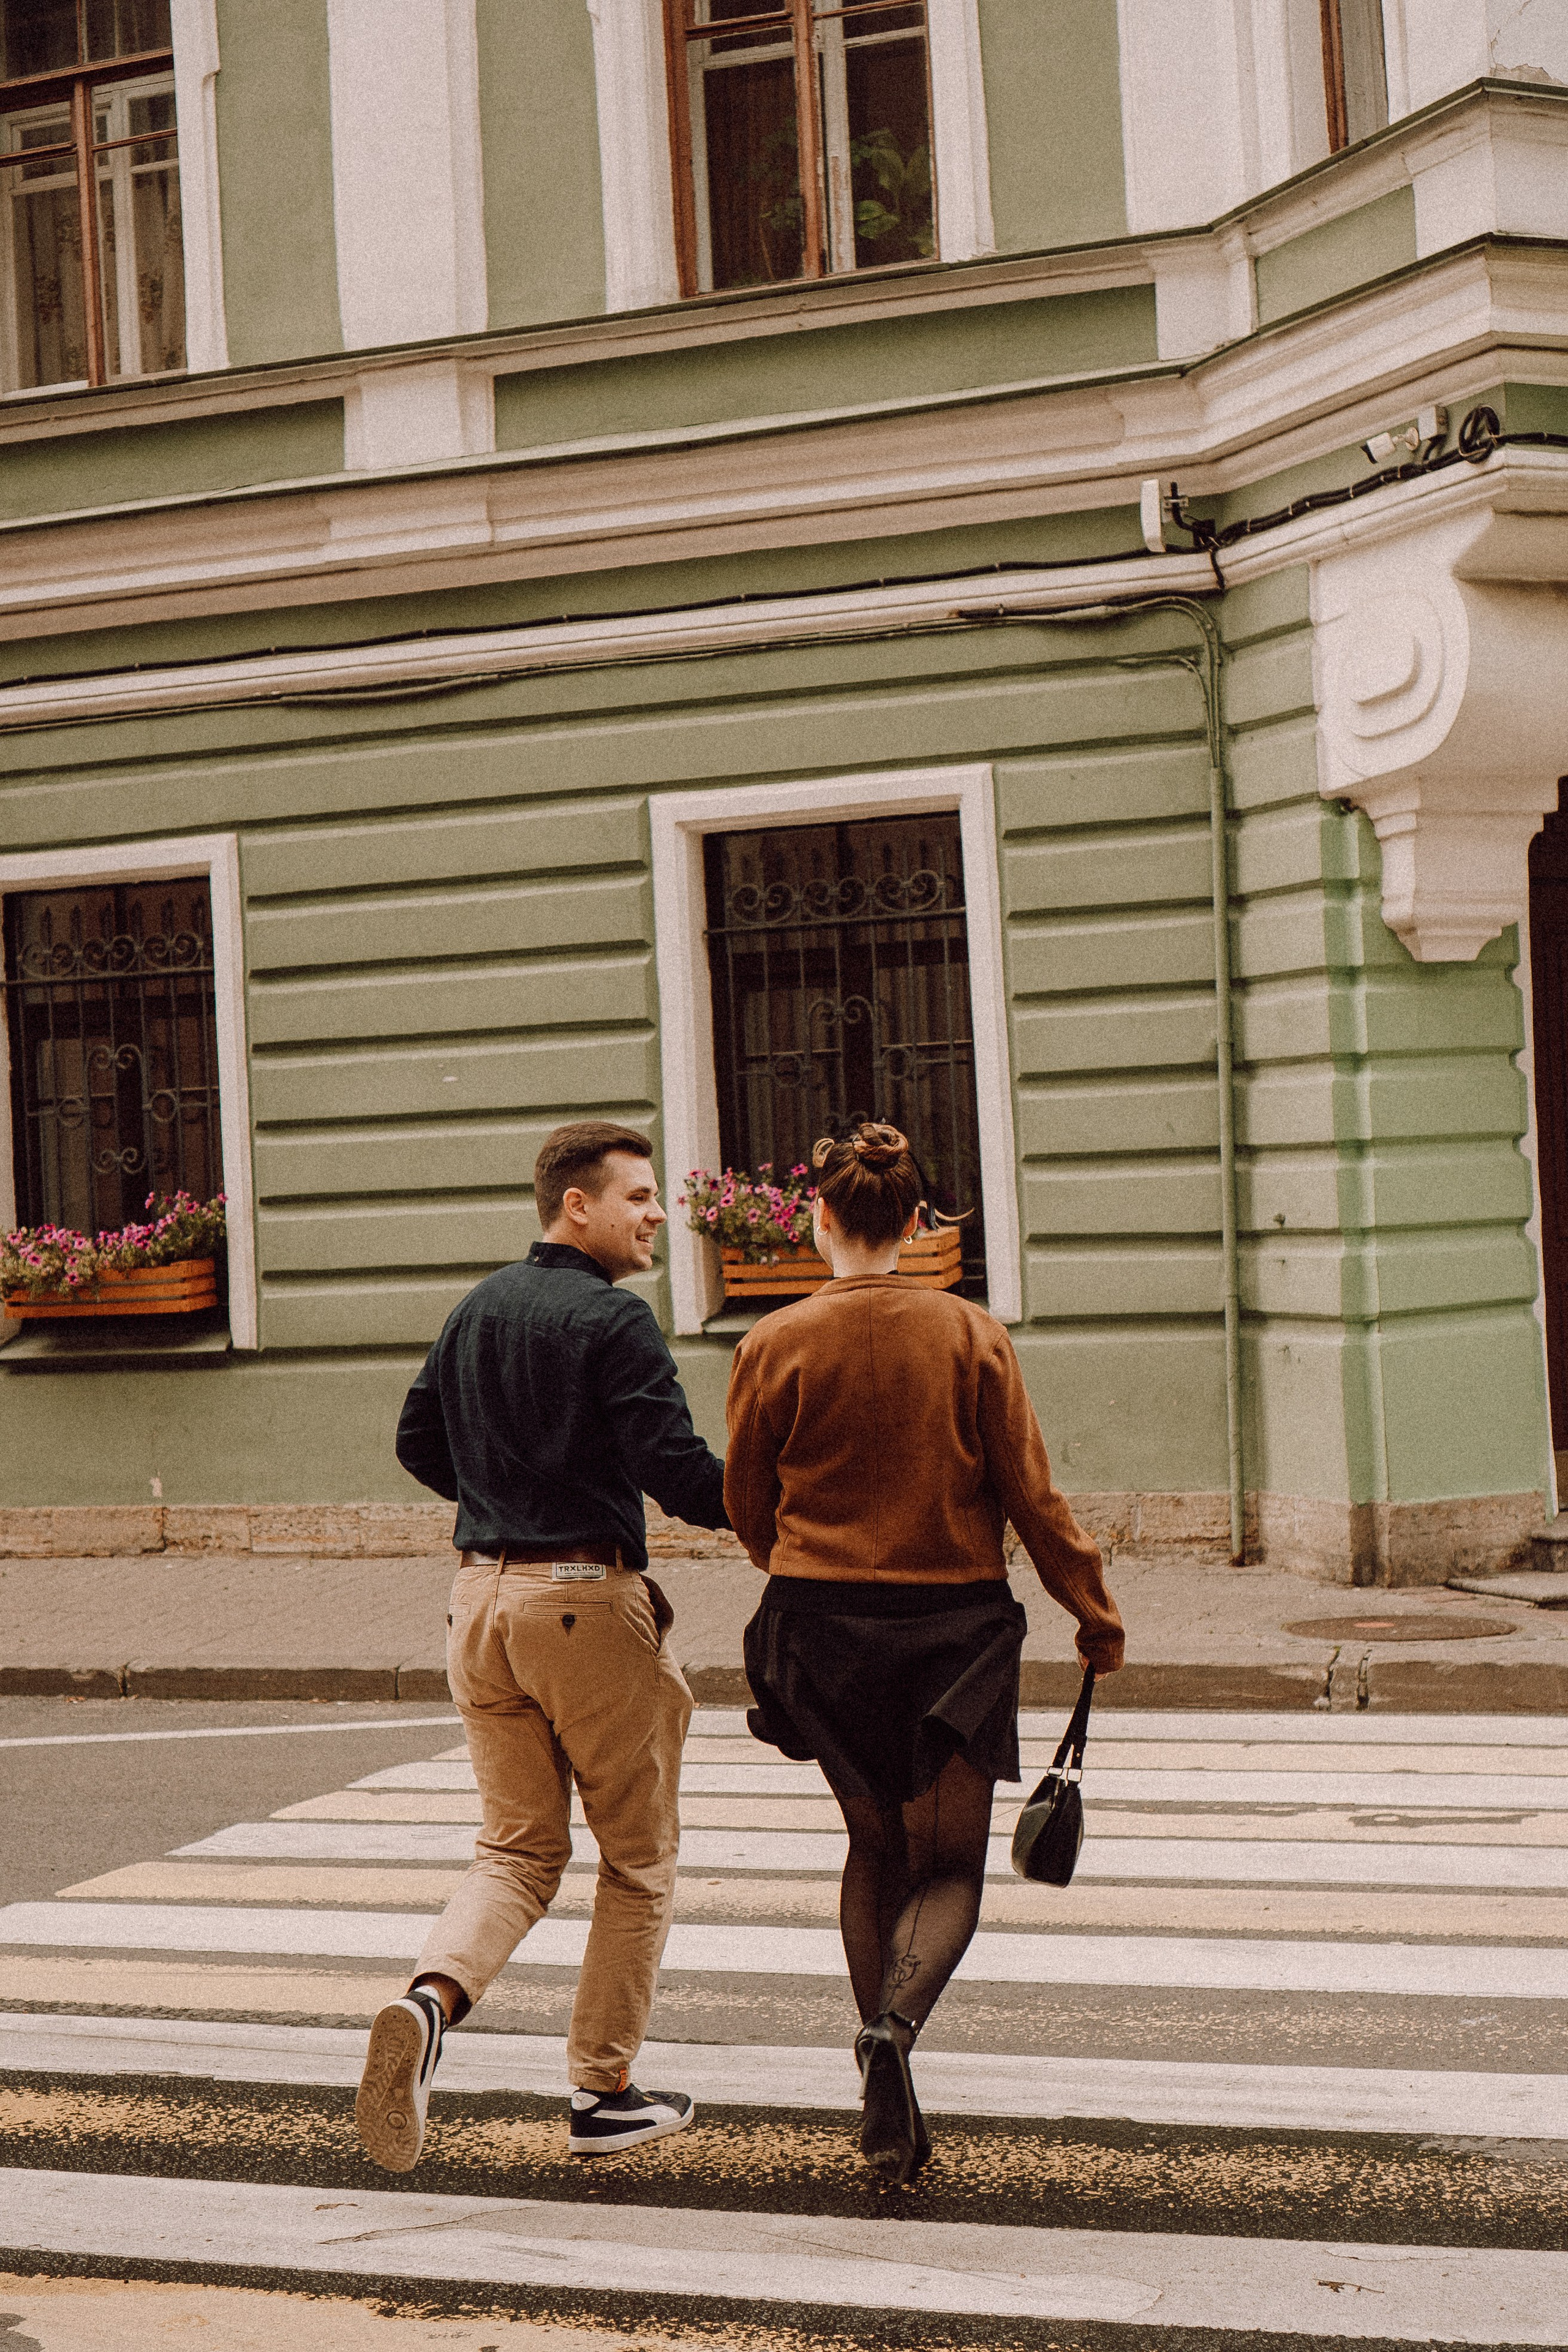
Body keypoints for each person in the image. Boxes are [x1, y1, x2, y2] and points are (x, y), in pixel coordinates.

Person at [724, 1122, 1125, 2186]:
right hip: (952, 1629)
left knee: (872, 1851)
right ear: (917, 1224)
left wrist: (801, 1563)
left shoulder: (772, 1342)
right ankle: (895, 2031)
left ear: (818, 1219)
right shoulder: (970, 1334)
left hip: (821, 1627)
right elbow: (1031, 1496)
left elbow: (744, 1502)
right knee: (947, 1865)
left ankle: (876, 2082)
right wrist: (1092, 1610)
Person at [356, 1120, 728, 2172]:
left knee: (515, 1850)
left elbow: (416, 1441)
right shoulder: (616, 1320)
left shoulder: (478, 1305)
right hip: (581, 1596)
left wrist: (503, 1504)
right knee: (639, 1858)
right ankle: (603, 2092)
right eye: (640, 1197)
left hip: (478, 1602)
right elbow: (684, 1474)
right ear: (579, 1206)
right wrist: (789, 1501)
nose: (659, 1214)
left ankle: (429, 2003)